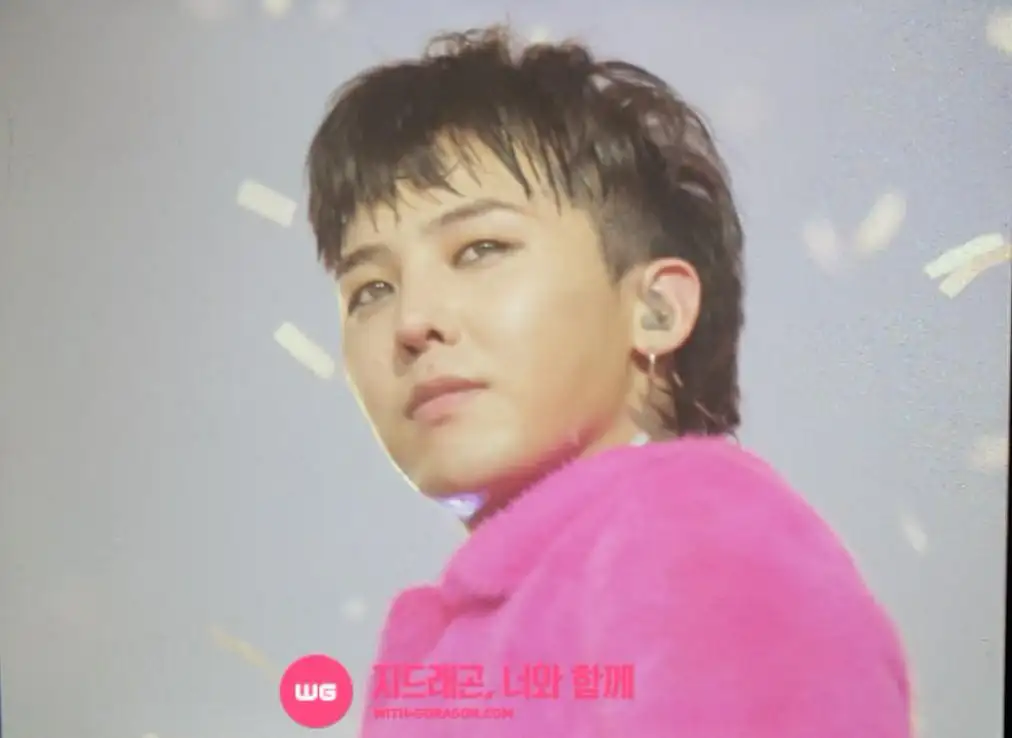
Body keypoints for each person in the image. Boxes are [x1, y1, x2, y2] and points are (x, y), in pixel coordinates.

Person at [305, 24, 912, 737]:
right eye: (370, 290)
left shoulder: (699, 538)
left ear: (655, 309)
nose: (412, 321)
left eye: (480, 249)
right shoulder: (471, 631)